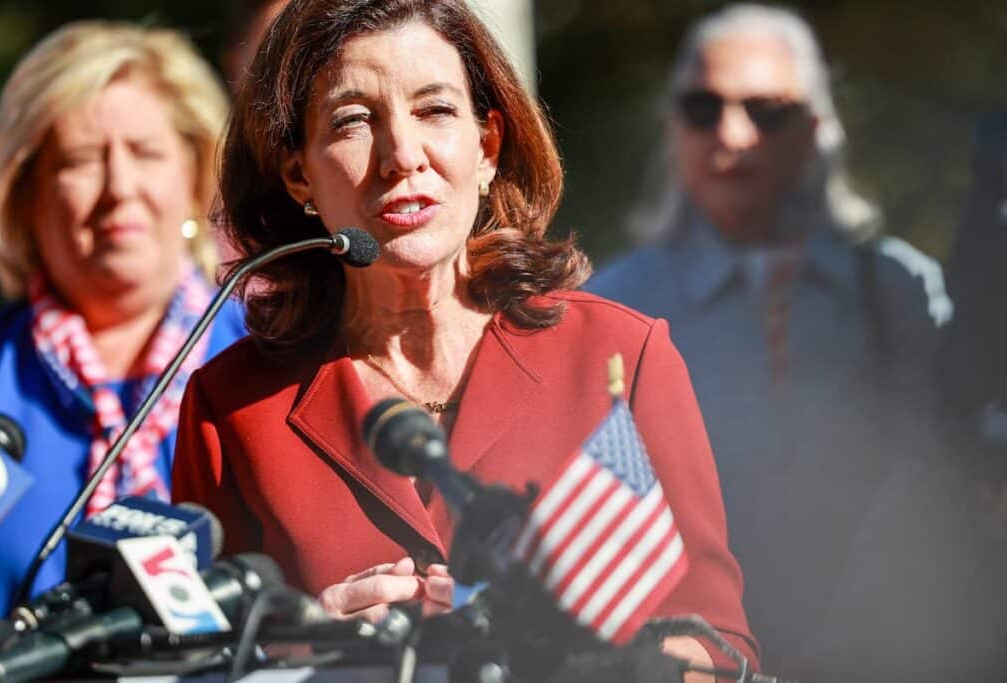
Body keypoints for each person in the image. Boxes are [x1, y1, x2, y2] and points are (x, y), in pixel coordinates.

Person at [171, 0, 757, 676]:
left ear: (488, 147)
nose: (401, 155)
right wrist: (293, 659)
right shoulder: (232, 407)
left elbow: (718, 651)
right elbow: (194, 663)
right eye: (354, 120)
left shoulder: (621, 356)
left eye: (435, 110)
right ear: (298, 171)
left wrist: (579, 662)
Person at [586, 3, 975, 680]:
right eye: (702, 108)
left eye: (766, 110)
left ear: (817, 131)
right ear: (672, 127)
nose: (731, 134)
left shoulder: (901, 290)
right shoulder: (611, 307)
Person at [0, 21, 247, 617]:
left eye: (147, 153)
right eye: (80, 161)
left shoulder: (283, 362)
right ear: (25, 194)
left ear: (194, 177)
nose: (119, 188)